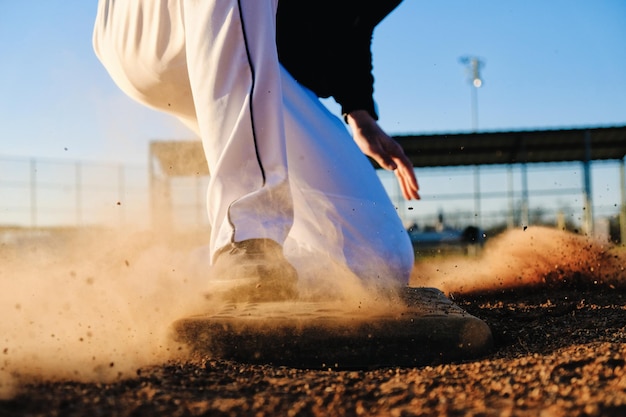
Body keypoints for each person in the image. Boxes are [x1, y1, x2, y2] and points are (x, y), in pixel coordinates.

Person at [92, 0, 418, 302]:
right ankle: (247, 239)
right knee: (253, 253)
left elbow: (353, 24)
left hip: (244, 56)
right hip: (155, 21)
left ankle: (162, 278)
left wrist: (359, 110)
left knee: (378, 259)